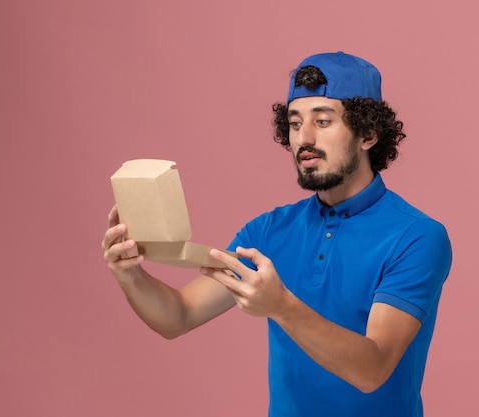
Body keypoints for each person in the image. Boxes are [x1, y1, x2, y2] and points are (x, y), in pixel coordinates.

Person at [102, 51, 452, 417]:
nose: (305, 138)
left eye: (323, 121)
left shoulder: (418, 237)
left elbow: (373, 368)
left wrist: (282, 306)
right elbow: (178, 316)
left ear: (367, 134)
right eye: (295, 122)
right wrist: (131, 276)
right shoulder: (269, 230)